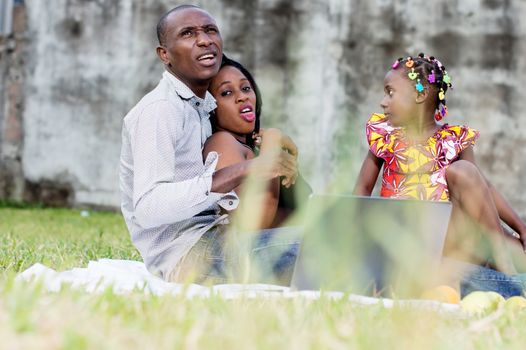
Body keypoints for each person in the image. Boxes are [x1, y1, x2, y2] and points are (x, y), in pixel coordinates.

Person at [119, 5, 300, 285]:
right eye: (188, 33)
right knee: (319, 249)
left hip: (216, 241)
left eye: (210, 30)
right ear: (164, 55)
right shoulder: (160, 110)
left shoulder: (200, 107)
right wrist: (248, 169)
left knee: (327, 236)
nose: (204, 40)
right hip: (188, 257)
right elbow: (148, 207)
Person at [353, 53, 526, 277]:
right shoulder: (386, 137)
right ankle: (499, 260)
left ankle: (503, 262)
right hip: (406, 238)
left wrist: (519, 226)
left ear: (421, 94)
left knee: (465, 173)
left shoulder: (453, 139)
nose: (383, 101)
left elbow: (483, 191)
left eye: (391, 92)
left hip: (450, 238)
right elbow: (361, 190)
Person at [203, 55, 311, 230]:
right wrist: (272, 141)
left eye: (246, 88)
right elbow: (256, 223)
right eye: (227, 93)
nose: (242, 97)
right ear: (211, 108)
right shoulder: (222, 141)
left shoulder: (254, 147)